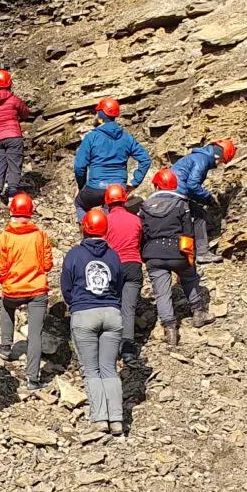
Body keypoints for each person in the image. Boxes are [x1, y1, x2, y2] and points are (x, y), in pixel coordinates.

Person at [60, 206, 124, 437]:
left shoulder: (74, 255)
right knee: (109, 369)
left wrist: (74, 304)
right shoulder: (114, 255)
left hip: (84, 313)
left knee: (91, 371)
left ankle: (100, 419)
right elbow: (119, 283)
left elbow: (66, 286)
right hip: (112, 313)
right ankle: (117, 418)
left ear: (84, 228)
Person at [0, 192, 53, 391]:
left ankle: (6, 346)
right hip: (37, 289)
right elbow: (47, 264)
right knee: (35, 335)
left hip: (13, 289)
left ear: (12, 212)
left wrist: (8, 282)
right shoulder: (40, 235)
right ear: (30, 213)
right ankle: (32, 379)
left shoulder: (5, 237)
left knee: (6, 305)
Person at [139, 168, 205, 343]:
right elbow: (188, 232)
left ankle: (170, 330)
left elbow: (143, 234)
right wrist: (191, 255)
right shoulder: (182, 204)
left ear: (156, 185)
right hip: (178, 251)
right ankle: (199, 312)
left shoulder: (144, 207)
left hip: (153, 254)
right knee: (189, 277)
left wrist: (144, 254)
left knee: (162, 293)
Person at [72, 98, 151, 217]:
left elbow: (79, 166)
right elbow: (145, 159)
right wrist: (134, 183)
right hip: (118, 189)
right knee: (111, 210)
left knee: (79, 203)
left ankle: (89, 231)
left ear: (100, 115)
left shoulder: (92, 137)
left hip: (95, 188)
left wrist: (82, 186)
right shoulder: (126, 138)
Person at [169, 139, 236, 262]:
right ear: (219, 155)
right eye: (222, 161)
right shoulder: (202, 159)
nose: (220, 164)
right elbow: (193, 185)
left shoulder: (197, 157)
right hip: (177, 194)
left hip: (170, 192)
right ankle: (202, 252)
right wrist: (208, 199)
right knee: (199, 215)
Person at [103, 182, 143, 364]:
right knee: (128, 309)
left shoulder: (106, 221)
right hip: (134, 265)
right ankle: (128, 351)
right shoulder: (136, 220)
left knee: (111, 307)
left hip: (113, 266)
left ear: (107, 202)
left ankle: (109, 348)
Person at [0, 68, 32, 202]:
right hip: (13, 136)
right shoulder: (13, 99)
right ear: (9, 83)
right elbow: (25, 113)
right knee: (14, 165)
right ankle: (12, 195)